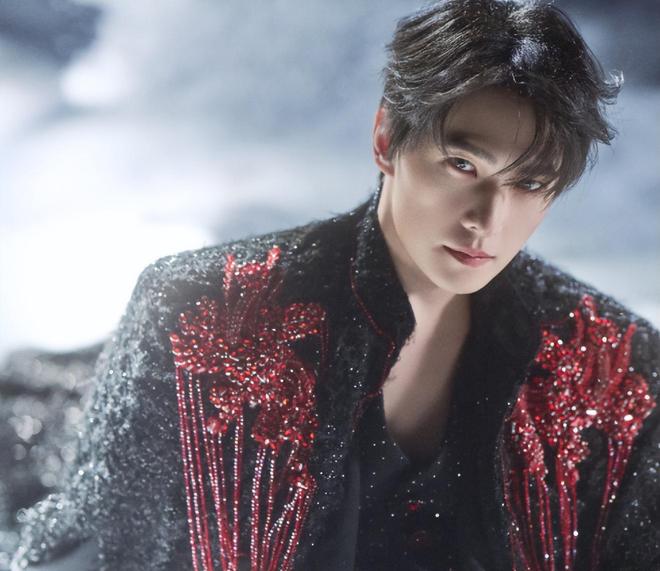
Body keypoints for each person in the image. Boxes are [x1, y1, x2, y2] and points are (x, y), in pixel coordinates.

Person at [11, 1, 660, 570]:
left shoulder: (618, 366)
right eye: (462, 164)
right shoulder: (194, 312)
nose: (487, 220)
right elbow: (103, 546)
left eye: (529, 183)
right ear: (386, 137)